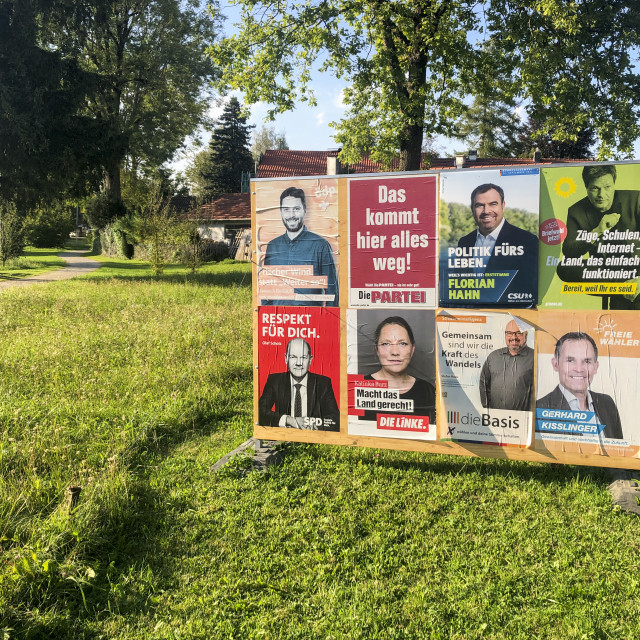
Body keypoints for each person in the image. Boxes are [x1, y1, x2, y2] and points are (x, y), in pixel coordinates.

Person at [559, 165, 640, 309]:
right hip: (606, 271)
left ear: (614, 184)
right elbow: (569, 251)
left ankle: (628, 290)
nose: (602, 194)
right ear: (586, 187)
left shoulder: (635, 200)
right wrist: (597, 231)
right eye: (595, 188)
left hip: (636, 268)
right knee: (564, 267)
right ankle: (623, 288)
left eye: (607, 187)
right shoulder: (576, 211)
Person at [457, 183, 538, 301]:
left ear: (503, 205)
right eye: (480, 205)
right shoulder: (464, 242)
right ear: (472, 208)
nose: (486, 211)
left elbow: (531, 291)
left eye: (493, 204)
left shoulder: (526, 241)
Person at [536, 331, 623, 439]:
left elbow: (619, 451)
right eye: (570, 360)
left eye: (586, 361)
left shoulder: (607, 403)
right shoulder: (538, 409)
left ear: (595, 367)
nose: (579, 369)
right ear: (555, 364)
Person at [262, 186, 339, 306]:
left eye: (296, 209)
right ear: (281, 212)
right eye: (286, 209)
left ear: (305, 210)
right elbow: (267, 289)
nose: (291, 215)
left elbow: (332, 292)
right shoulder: (273, 245)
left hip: (311, 321)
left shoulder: (320, 245)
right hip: (278, 321)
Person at [361, 316, 436, 423]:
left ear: (412, 350)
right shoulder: (359, 387)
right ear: (377, 350)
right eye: (386, 344)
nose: (395, 352)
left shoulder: (428, 391)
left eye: (402, 343)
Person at [258, 337, 339, 431]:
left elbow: (335, 418)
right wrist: (290, 420)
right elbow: (260, 411)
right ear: (286, 358)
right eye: (293, 357)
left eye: (303, 357)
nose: (299, 363)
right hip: (284, 436)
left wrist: (312, 424)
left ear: (310, 360)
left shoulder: (323, 383)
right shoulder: (275, 380)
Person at [479, 319, 534, 411]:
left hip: (522, 419)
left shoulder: (534, 357)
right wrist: (487, 410)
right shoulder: (493, 357)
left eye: (518, 333)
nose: (513, 337)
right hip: (496, 419)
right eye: (509, 333)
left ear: (526, 334)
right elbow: (484, 384)